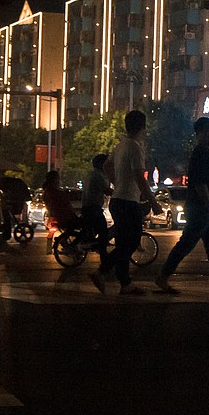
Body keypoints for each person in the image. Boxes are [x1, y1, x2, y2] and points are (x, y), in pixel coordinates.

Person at [154, 118, 209, 294]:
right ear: (200, 133)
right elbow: (200, 183)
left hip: (204, 207)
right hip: (200, 208)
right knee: (187, 243)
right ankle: (163, 276)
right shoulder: (200, 153)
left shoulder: (204, 153)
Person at [90, 110, 159, 295]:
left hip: (117, 201)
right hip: (129, 201)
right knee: (132, 242)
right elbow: (140, 178)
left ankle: (125, 283)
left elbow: (106, 166)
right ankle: (102, 271)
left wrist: (116, 182)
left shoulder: (120, 146)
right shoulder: (135, 147)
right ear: (142, 127)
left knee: (123, 243)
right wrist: (153, 202)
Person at [81, 153, 112, 256]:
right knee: (103, 232)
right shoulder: (98, 176)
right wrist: (118, 193)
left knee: (96, 230)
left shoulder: (91, 174)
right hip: (93, 208)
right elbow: (106, 190)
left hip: (88, 207)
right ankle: (104, 257)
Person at [41, 169, 79, 254]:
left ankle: (67, 242)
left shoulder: (47, 192)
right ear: (55, 180)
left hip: (56, 217)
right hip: (65, 217)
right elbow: (66, 206)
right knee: (83, 227)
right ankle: (72, 245)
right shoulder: (57, 193)